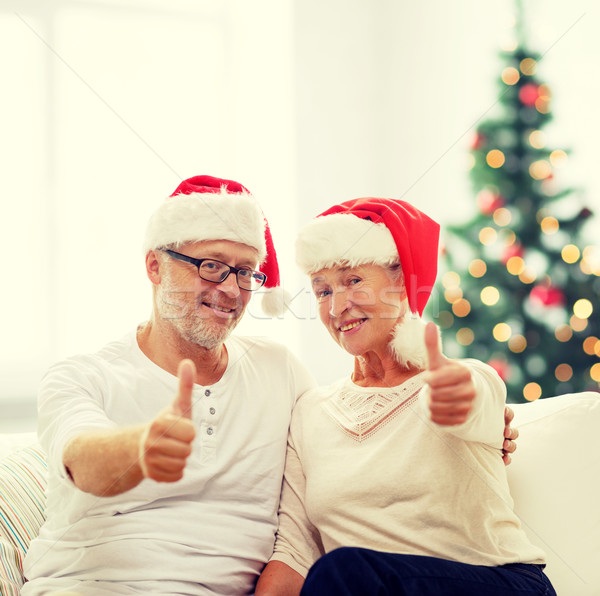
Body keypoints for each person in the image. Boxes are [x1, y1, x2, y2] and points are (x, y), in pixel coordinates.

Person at [21, 175, 316, 596]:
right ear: (155, 266)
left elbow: (300, 525)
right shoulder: (82, 375)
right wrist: (138, 449)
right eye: (212, 266)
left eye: (246, 272)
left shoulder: (281, 371)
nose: (232, 290)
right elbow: (81, 459)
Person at [256, 197, 555, 595]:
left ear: (402, 281)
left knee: (345, 570)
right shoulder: (310, 412)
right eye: (322, 290)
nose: (337, 306)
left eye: (353, 281)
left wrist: (451, 394)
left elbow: (472, 402)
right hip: (360, 585)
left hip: (497, 583)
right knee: (340, 573)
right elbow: (295, 552)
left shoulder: (464, 377)